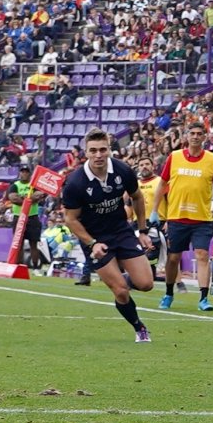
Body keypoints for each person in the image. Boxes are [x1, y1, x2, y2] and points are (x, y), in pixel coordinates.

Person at [61, 128, 155, 343]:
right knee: (121, 291)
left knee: (146, 284)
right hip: (94, 239)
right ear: (86, 152)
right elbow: (71, 219)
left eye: (103, 149)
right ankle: (139, 327)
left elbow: (137, 197)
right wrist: (92, 243)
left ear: (110, 150)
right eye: (93, 150)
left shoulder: (123, 171)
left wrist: (142, 231)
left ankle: (121, 276)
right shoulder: (75, 183)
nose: (98, 155)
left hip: (121, 231)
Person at [151, 122, 213, 312]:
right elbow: (162, 184)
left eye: (199, 133)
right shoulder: (174, 157)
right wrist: (155, 210)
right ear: (186, 136)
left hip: (202, 218)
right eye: (192, 133)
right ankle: (169, 293)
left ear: (204, 137)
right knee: (173, 258)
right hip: (177, 217)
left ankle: (203, 298)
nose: (195, 136)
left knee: (203, 255)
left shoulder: (212, 160)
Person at [7, 165, 48, 271]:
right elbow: (13, 199)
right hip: (19, 217)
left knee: (33, 244)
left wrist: (23, 198)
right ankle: (18, 266)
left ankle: (36, 268)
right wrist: (29, 199)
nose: (24, 174)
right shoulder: (14, 185)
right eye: (22, 171)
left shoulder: (34, 185)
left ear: (30, 174)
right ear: (20, 173)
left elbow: (39, 196)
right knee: (18, 244)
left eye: (26, 172)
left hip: (32, 217)